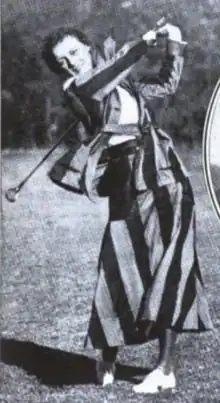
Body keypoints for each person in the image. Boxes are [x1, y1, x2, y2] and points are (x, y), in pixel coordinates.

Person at [42, 22, 213, 394]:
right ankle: (107, 353)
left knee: (171, 265)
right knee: (119, 264)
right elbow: (104, 76)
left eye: (74, 53)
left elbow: (165, 86)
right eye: (61, 62)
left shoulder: (121, 80)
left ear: (87, 47)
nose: (70, 64)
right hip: (125, 181)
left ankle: (165, 368)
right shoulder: (79, 88)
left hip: (165, 173)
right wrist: (144, 42)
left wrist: (175, 44)